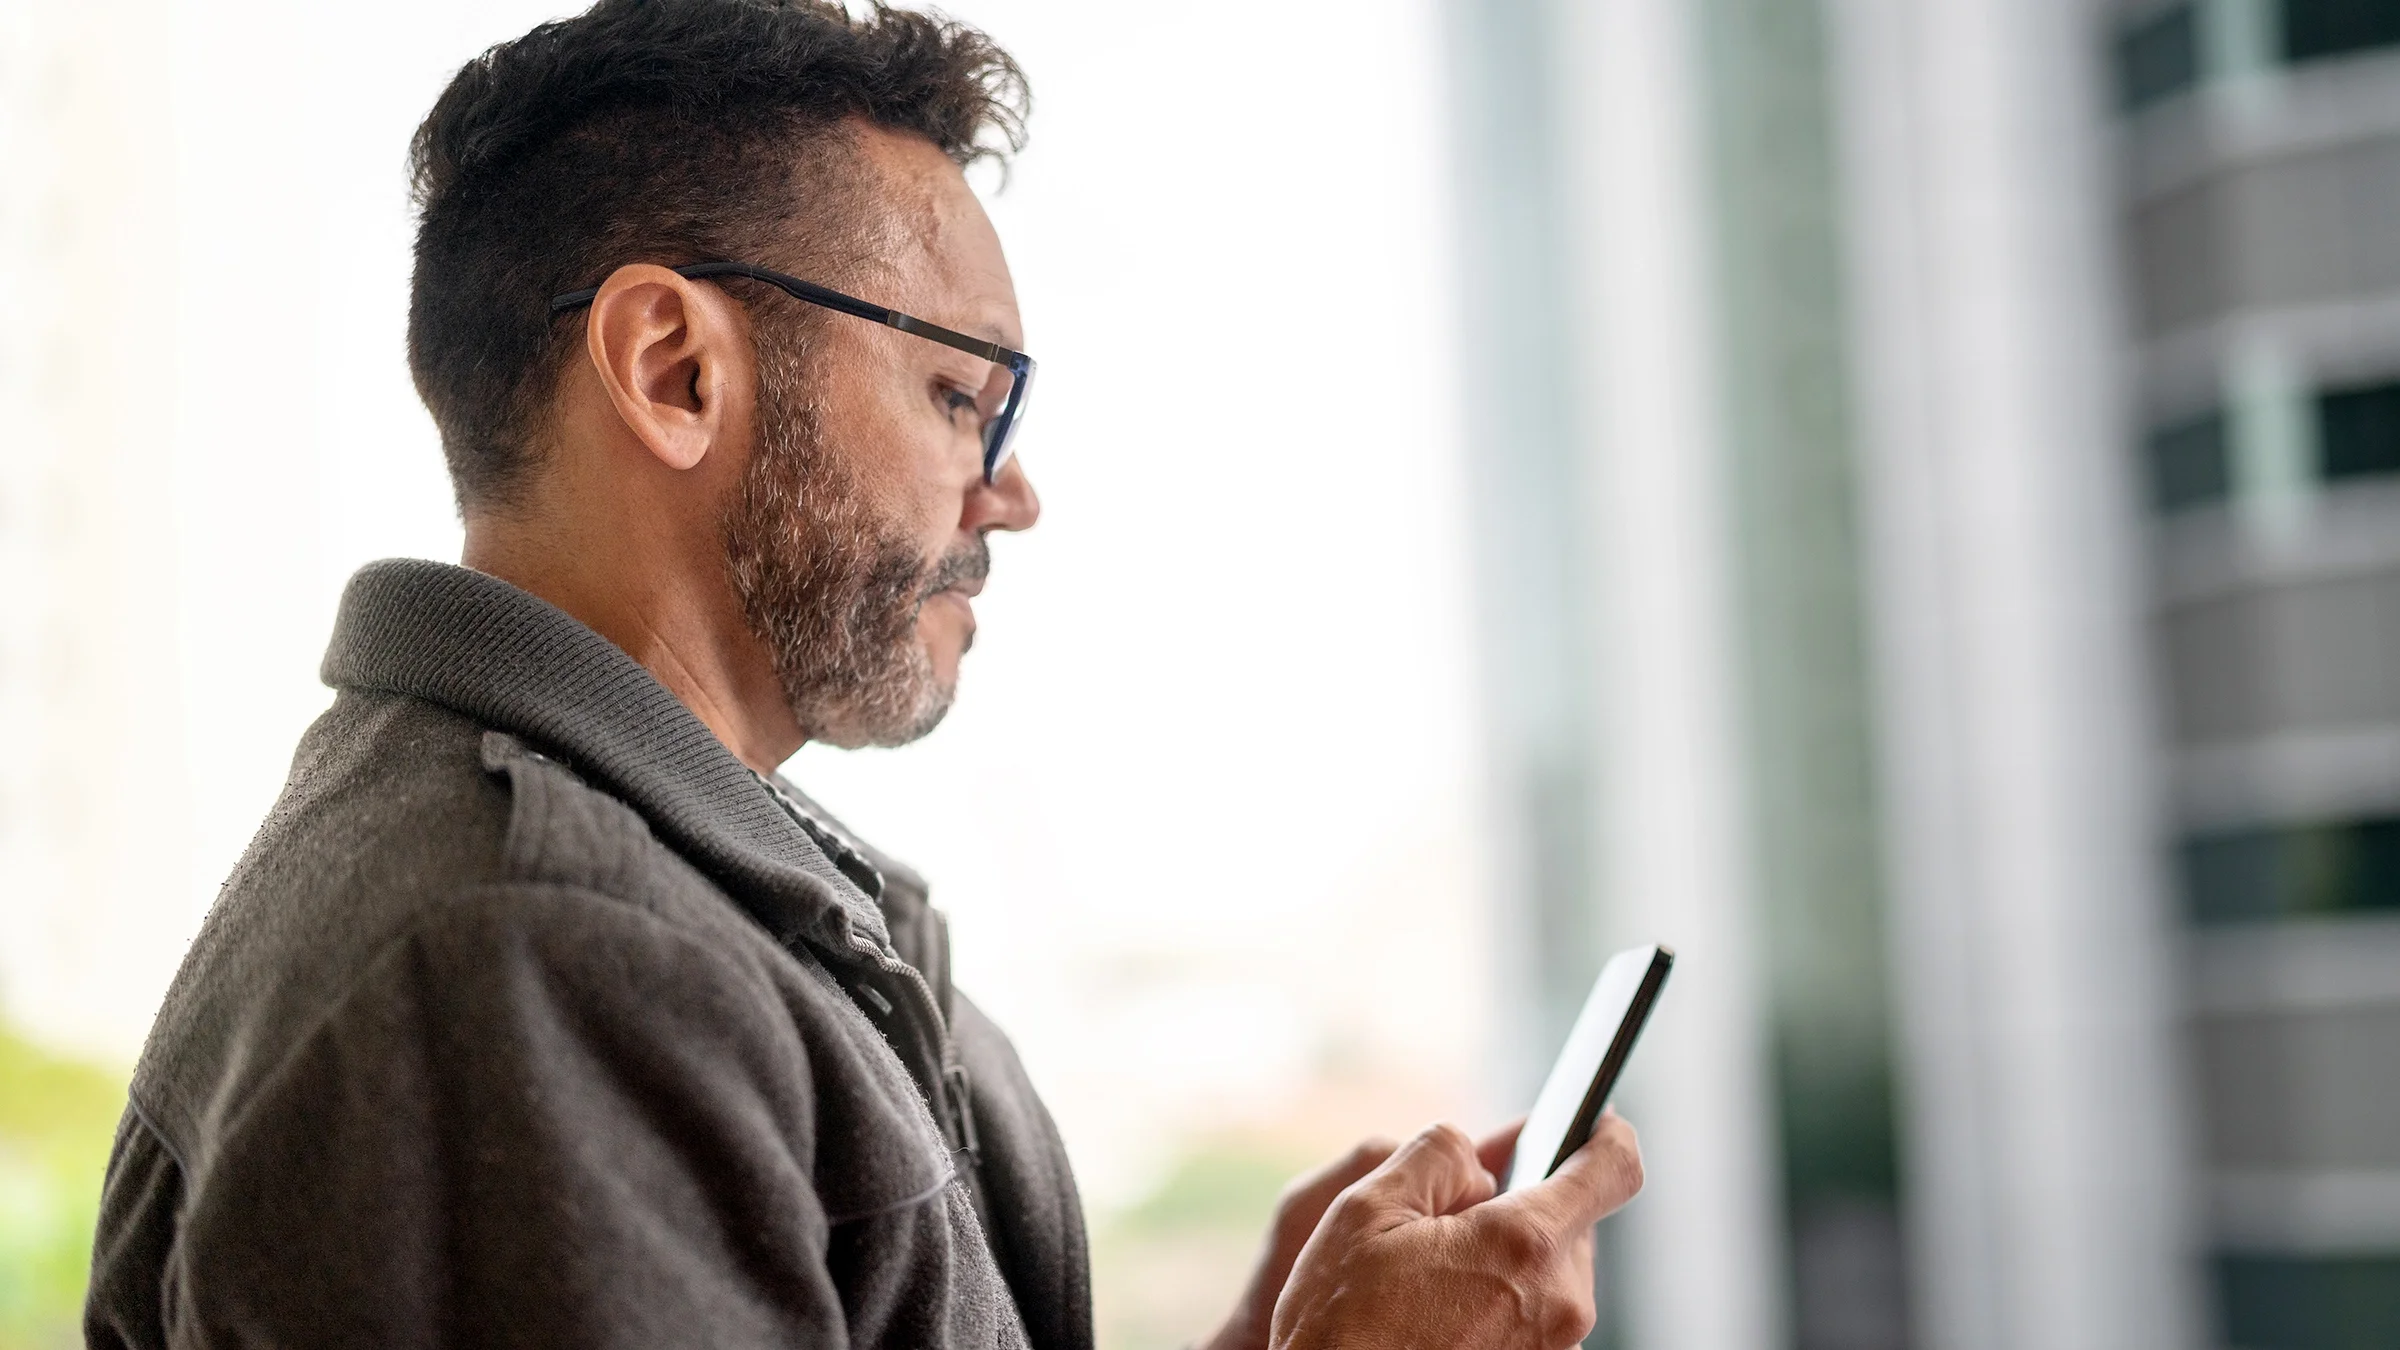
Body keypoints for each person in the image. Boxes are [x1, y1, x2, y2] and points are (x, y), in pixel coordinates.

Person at [83, 2, 1644, 1347]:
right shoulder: (541, 958)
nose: (1009, 490)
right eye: (965, 394)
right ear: (674, 372)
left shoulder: (637, 898)